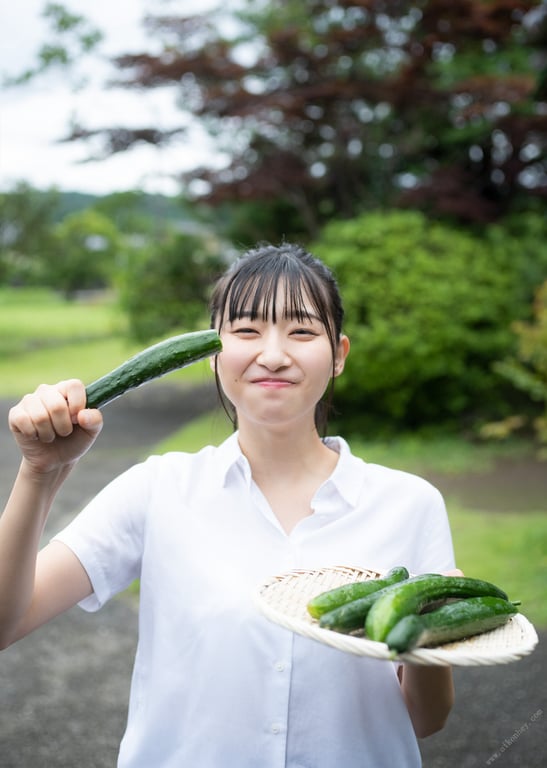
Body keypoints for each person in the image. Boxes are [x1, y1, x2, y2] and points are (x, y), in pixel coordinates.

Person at [0, 243, 458, 767]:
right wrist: (39, 472)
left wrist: (427, 637)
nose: (273, 353)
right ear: (212, 353)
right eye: (245, 330)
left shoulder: (410, 504)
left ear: (339, 355)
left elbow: (427, 719)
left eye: (302, 331)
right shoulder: (157, 489)